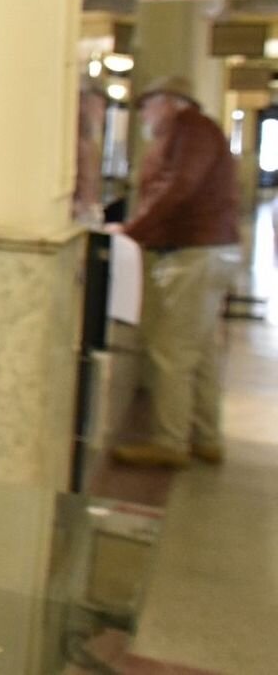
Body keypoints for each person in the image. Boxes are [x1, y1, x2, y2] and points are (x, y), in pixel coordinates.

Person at [111, 76, 239, 468]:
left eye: (148, 106)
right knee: (199, 350)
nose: (145, 116)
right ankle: (206, 436)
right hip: (209, 249)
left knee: (173, 351)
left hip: (194, 252)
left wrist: (133, 231)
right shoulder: (201, 132)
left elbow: (177, 187)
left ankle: (170, 442)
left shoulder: (191, 130)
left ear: (169, 103)